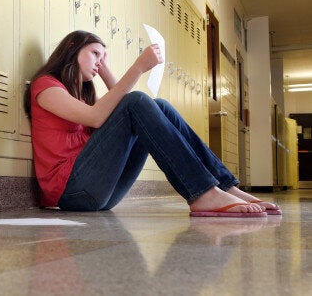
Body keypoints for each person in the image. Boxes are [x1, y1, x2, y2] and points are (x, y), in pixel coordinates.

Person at [26, 30, 281, 217]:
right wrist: (138, 67)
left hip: (100, 192)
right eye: (95, 54)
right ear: (72, 46)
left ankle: (224, 186)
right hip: (71, 192)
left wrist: (104, 70)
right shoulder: (46, 87)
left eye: (103, 58)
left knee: (160, 106)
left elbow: (123, 107)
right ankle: (203, 193)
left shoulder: (82, 95)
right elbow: (99, 116)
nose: (99, 62)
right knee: (138, 101)